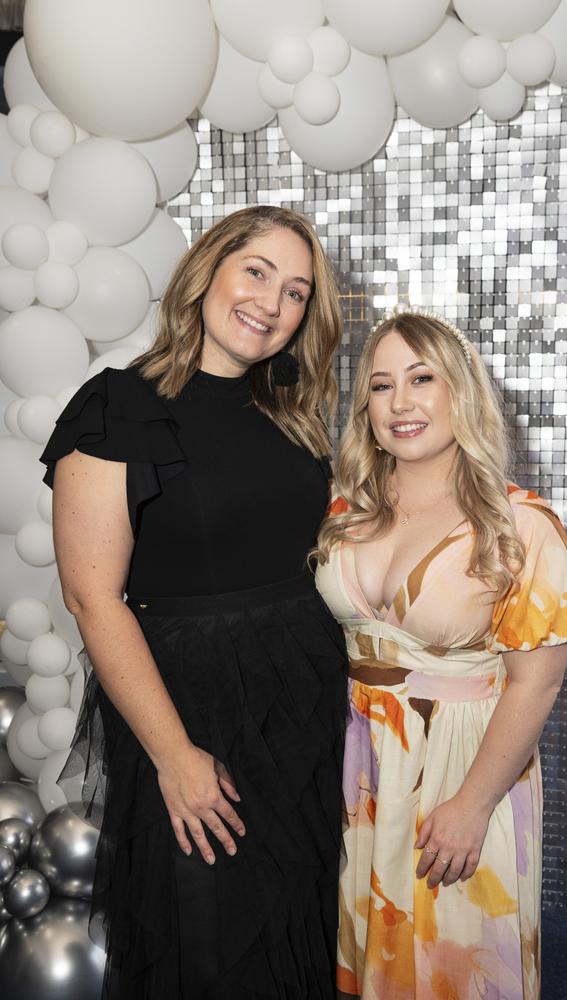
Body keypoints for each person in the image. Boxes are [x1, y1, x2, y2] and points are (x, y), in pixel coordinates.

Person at [40, 205, 349, 999]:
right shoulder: (115, 406)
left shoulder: (291, 414)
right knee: (207, 941)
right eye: (256, 272)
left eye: (296, 293)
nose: (272, 304)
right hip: (188, 709)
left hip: (303, 705)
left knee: (298, 917)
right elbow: (91, 596)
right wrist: (174, 758)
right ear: (207, 270)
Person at [314, 309, 567, 1000]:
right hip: (357, 764)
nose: (399, 403)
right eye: (379, 386)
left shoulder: (519, 523)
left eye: (421, 377)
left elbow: (537, 685)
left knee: (455, 961)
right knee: (361, 949)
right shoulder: (345, 508)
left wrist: (473, 803)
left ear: (459, 390)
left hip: (462, 766)